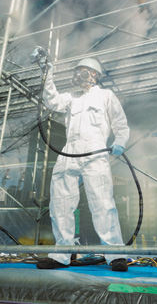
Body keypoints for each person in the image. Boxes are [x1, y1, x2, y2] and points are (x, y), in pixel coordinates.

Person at [36, 54, 130, 271]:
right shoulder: (71, 97)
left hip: (95, 151)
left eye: (84, 70)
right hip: (70, 150)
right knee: (60, 203)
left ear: (95, 74)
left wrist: (120, 142)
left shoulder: (106, 95)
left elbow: (121, 124)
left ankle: (115, 255)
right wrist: (47, 72)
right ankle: (61, 255)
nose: (79, 75)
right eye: (77, 71)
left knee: (102, 203)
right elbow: (51, 100)